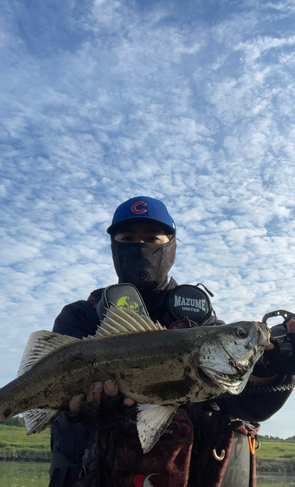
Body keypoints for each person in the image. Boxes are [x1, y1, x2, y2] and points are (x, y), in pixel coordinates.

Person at [48, 196, 295, 487]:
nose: (140, 247)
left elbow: (243, 406)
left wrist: (272, 368)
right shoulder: (80, 317)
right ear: (115, 247)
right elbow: (50, 394)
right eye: (128, 238)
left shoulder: (204, 326)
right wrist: (81, 412)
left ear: (170, 245)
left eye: (152, 238)